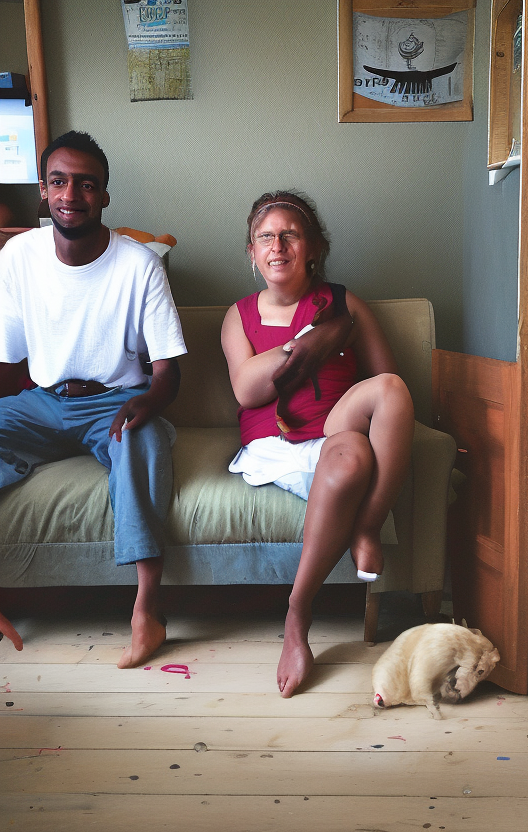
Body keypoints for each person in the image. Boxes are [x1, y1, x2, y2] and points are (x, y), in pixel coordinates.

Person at [0, 130, 186, 668]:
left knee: (142, 437)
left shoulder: (140, 265)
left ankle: (147, 610)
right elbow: (8, 360)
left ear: (104, 195)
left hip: (115, 401)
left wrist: (147, 403)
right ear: (42, 190)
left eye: (86, 184)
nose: (70, 194)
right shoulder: (18, 255)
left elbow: (169, 371)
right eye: (58, 181)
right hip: (44, 401)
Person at [221, 190, 414, 698]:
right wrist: (310, 341)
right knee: (350, 463)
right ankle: (297, 614)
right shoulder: (239, 315)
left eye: (290, 235)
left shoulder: (346, 304)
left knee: (391, 394)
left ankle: (368, 526)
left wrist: (341, 326)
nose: (277, 246)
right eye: (266, 237)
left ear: (313, 248)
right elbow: (247, 390)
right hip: (274, 442)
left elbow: (386, 377)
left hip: (334, 426)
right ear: (252, 252)